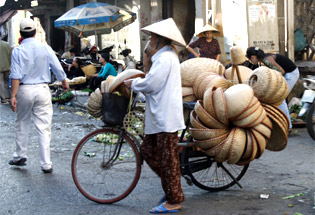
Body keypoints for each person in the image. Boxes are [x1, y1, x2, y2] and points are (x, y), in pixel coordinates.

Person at [124, 18, 186, 213]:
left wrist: (133, 84)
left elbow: (152, 84)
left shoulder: (166, 58)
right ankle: (172, 184)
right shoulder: (163, 57)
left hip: (165, 117)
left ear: (160, 40)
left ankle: (174, 199)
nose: (149, 42)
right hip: (160, 114)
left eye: (151, 38)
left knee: (167, 159)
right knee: (148, 151)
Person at [8, 18, 69, 173]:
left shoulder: (18, 50)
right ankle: (46, 163)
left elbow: (15, 75)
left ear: (21, 34)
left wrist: (13, 95)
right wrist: (64, 81)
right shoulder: (45, 48)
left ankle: (19, 156)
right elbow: (57, 66)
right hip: (42, 89)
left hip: (24, 90)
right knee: (44, 127)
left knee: (22, 123)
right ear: (35, 32)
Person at [246, 47, 300, 130]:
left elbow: (281, 72)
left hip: (291, 74)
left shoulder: (267, 60)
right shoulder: (264, 58)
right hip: (287, 73)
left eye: (250, 59)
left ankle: (288, 126)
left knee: (280, 98)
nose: (251, 62)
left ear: (253, 57)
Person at [0, 32, 12, 104]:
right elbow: (10, 55)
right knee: (6, 81)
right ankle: (8, 96)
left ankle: (3, 98)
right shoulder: (6, 45)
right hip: (7, 66)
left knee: (0, 82)